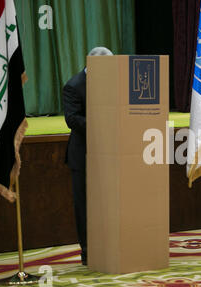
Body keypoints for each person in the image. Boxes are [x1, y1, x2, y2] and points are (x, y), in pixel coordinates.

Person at [63, 47, 114, 265]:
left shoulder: (114, 82)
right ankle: (88, 252)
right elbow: (72, 119)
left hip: (111, 154)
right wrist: (101, 125)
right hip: (83, 155)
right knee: (84, 205)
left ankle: (112, 246)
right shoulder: (73, 86)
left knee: (110, 204)